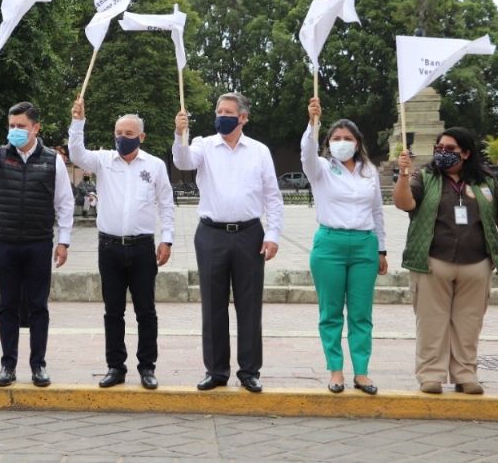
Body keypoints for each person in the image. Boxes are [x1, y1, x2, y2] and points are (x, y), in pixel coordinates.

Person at [172, 93, 283, 393]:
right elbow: (183, 160)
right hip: (211, 234)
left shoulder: (259, 151)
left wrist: (272, 234)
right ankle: (216, 370)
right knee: (213, 305)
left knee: (249, 305)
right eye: (218, 110)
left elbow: (272, 196)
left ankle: (249, 371)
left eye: (228, 111)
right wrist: (180, 133)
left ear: (243, 117)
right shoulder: (203, 145)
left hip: (249, 234)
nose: (222, 115)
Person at [0, 86, 74, 387]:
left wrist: (63, 241)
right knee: (9, 305)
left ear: (35, 127)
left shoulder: (53, 161)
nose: (15, 130)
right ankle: (7, 366)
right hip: (6, 243)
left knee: (38, 306)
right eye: (11, 126)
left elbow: (64, 203)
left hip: (39, 243)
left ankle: (38, 365)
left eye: (20, 126)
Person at [68, 96, 175, 390]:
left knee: (146, 311)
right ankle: (115, 366)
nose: (122, 138)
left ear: (141, 136)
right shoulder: (103, 161)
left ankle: (147, 367)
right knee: (113, 311)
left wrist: (167, 239)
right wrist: (78, 121)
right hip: (109, 247)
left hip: (142, 248)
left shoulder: (154, 165)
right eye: (118, 133)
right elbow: (76, 153)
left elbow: (166, 204)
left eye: (128, 134)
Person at [394, 127, 498, 395]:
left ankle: (465, 374)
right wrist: (403, 174)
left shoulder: (486, 181)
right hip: (433, 262)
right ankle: (430, 375)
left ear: (466, 153)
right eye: (439, 148)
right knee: (431, 322)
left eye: (450, 149)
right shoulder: (425, 177)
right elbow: (405, 203)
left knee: (469, 322)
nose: (442, 153)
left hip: (477, 264)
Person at [302, 98, 387, 395]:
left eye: (347, 138)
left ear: (358, 142)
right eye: (336, 138)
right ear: (328, 142)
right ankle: (335, 370)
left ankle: (361, 372)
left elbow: (377, 212)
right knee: (331, 312)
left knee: (361, 314)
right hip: (330, 245)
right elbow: (307, 155)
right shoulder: (322, 168)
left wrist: (382, 249)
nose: (341, 142)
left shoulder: (369, 171)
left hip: (364, 245)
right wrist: (313, 124)